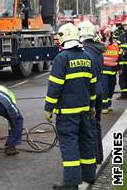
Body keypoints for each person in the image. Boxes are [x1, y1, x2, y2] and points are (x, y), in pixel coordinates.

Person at [44, 23, 97, 190]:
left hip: (67, 114)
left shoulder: (62, 58)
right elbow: (93, 85)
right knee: (86, 140)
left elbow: (55, 86)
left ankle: (71, 182)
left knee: (69, 144)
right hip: (84, 110)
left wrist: (48, 108)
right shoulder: (87, 57)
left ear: (63, 38)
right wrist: (93, 105)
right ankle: (89, 175)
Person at [77, 20, 105, 164]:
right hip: (99, 89)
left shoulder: (86, 52)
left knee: (89, 126)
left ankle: (91, 158)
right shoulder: (97, 49)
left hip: (91, 91)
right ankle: (99, 156)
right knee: (96, 124)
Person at [100, 28, 119, 113]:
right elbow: (101, 51)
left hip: (113, 70)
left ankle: (108, 104)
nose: (108, 35)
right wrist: (106, 42)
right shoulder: (101, 44)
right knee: (105, 88)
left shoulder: (115, 45)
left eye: (109, 33)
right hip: (104, 70)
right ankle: (104, 107)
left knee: (111, 88)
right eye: (106, 33)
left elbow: (118, 57)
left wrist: (120, 68)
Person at [117, 21, 127, 99]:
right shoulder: (121, 36)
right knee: (122, 79)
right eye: (124, 25)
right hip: (122, 63)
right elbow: (118, 48)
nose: (125, 27)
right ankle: (124, 95)